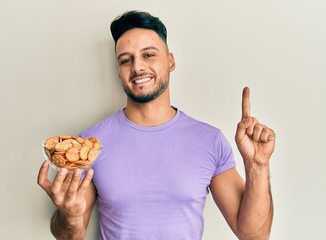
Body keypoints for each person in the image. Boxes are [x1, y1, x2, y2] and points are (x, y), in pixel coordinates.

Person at [38, 10, 275, 240]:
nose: (138, 67)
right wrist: (69, 217)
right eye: (126, 60)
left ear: (170, 61)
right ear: (118, 70)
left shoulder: (209, 140)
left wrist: (257, 166)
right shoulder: (91, 143)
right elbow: (71, 236)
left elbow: (255, 235)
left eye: (149, 55)